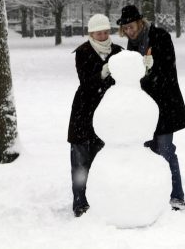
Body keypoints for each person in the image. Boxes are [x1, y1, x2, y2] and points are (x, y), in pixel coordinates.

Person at [116, 4, 185, 211]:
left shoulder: (160, 36)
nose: (129, 31)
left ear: (140, 22)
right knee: (147, 154)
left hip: (165, 105)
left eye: (131, 26)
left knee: (165, 151)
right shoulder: (130, 47)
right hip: (144, 109)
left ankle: (176, 196)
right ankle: (152, 196)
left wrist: (150, 71)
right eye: (126, 29)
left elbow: (168, 68)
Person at [67, 14, 123, 217]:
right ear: (91, 33)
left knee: (102, 161)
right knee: (80, 162)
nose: (103, 35)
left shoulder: (118, 52)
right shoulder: (82, 52)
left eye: (106, 31)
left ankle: (102, 201)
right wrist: (103, 72)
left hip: (108, 113)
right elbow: (86, 82)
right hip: (84, 113)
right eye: (98, 32)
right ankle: (80, 203)